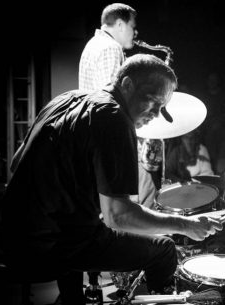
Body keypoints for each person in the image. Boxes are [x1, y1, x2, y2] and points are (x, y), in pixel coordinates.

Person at [0, 54, 222, 305]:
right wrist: (185, 225)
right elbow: (119, 216)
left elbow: (17, 163)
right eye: (152, 102)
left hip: (11, 237)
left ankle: (72, 299)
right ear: (126, 85)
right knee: (163, 248)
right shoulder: (114, 117)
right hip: (48, 248)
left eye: (162, 108)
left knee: (85, 226)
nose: (156, 115)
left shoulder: (66, 99)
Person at [78, 3, 162, 298]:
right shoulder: (111, 48)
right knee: (134, 207)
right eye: (133, 27)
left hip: (88, 148)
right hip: (107, 146)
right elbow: (114, 104)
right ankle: (133, 277)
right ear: (121, 23)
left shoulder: (91, 45)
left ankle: (93, 284)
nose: (135, 34)